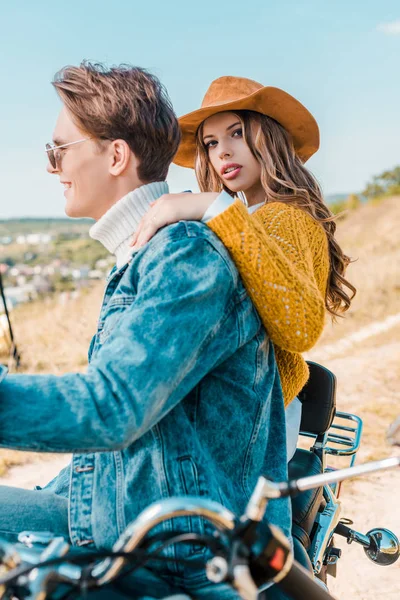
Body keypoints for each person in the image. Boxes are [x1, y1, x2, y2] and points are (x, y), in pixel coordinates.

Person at [0, 64, 292, 599]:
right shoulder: (144, 255)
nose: (52, 167)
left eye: (58, 151)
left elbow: (112, 409)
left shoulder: (182, 256)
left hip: (182, 552)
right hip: (123, 518)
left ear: (115, 156)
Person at [130, 75, 356, 459]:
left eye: (236, 133)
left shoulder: (284, 218)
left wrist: (214, 208)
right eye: (211, 143)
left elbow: (299, 324)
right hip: (236, 414)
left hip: (255, 424)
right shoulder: (248, 217)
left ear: (269, 137)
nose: (223, 152)